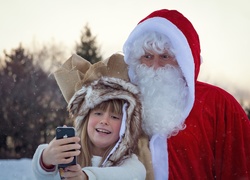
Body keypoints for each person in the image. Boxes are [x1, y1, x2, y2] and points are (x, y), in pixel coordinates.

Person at [122, 9, 250, 180]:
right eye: (147, 56)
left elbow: (241, 169)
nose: (155, 66)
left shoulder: (218, 103)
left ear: (183, 60)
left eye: (165, 56)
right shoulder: (121, 103)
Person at [32, 53, 146, 179]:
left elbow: (127, 175)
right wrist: (46, 158)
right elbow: (43, 174)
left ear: (126, 126)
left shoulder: (132, 166)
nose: (104, 121)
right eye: (98, 113)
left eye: (115, 117)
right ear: (85, 119)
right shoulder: (68, 155)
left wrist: (86, 177)